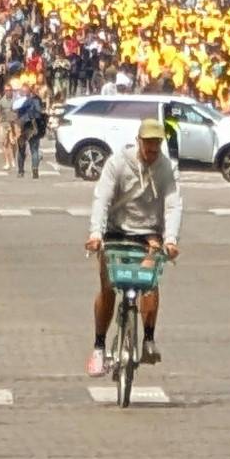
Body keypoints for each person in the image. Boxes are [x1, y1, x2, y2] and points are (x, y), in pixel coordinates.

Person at [86, 121, 182, 376]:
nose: (152, 150)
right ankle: (99, 346)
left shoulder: (167, 167)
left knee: (149, 282)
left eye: (156, 144)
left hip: (149, 234)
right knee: (108, 286)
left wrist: (171, 239)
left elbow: (173, 205)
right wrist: (96, 234)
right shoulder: (118, 163)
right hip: (116, 230)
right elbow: (102, 200)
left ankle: (148, 338)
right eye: (148, 143)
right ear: (139, 140)